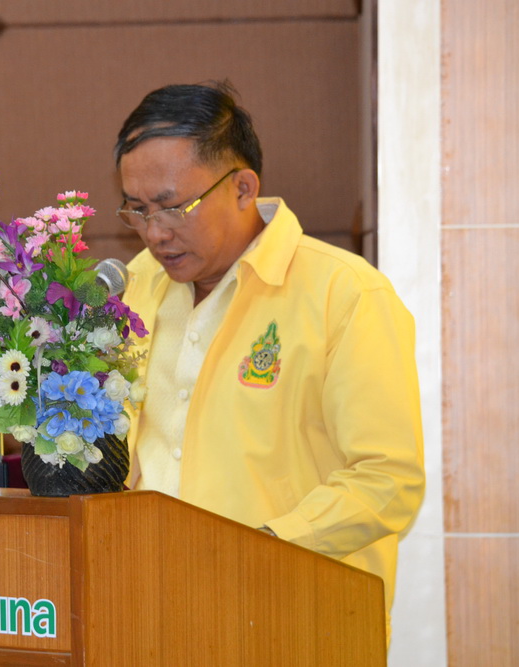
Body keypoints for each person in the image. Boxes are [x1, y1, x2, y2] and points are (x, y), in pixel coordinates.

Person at [115, 81, 425, 634]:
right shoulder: (132, 287)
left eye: (173, 207)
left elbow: (388, 479)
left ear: (242, 187)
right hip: (149, 612)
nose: (155, 234)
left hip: (290, 617)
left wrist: (262, 549)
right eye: (137, 211)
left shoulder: (343, 293)